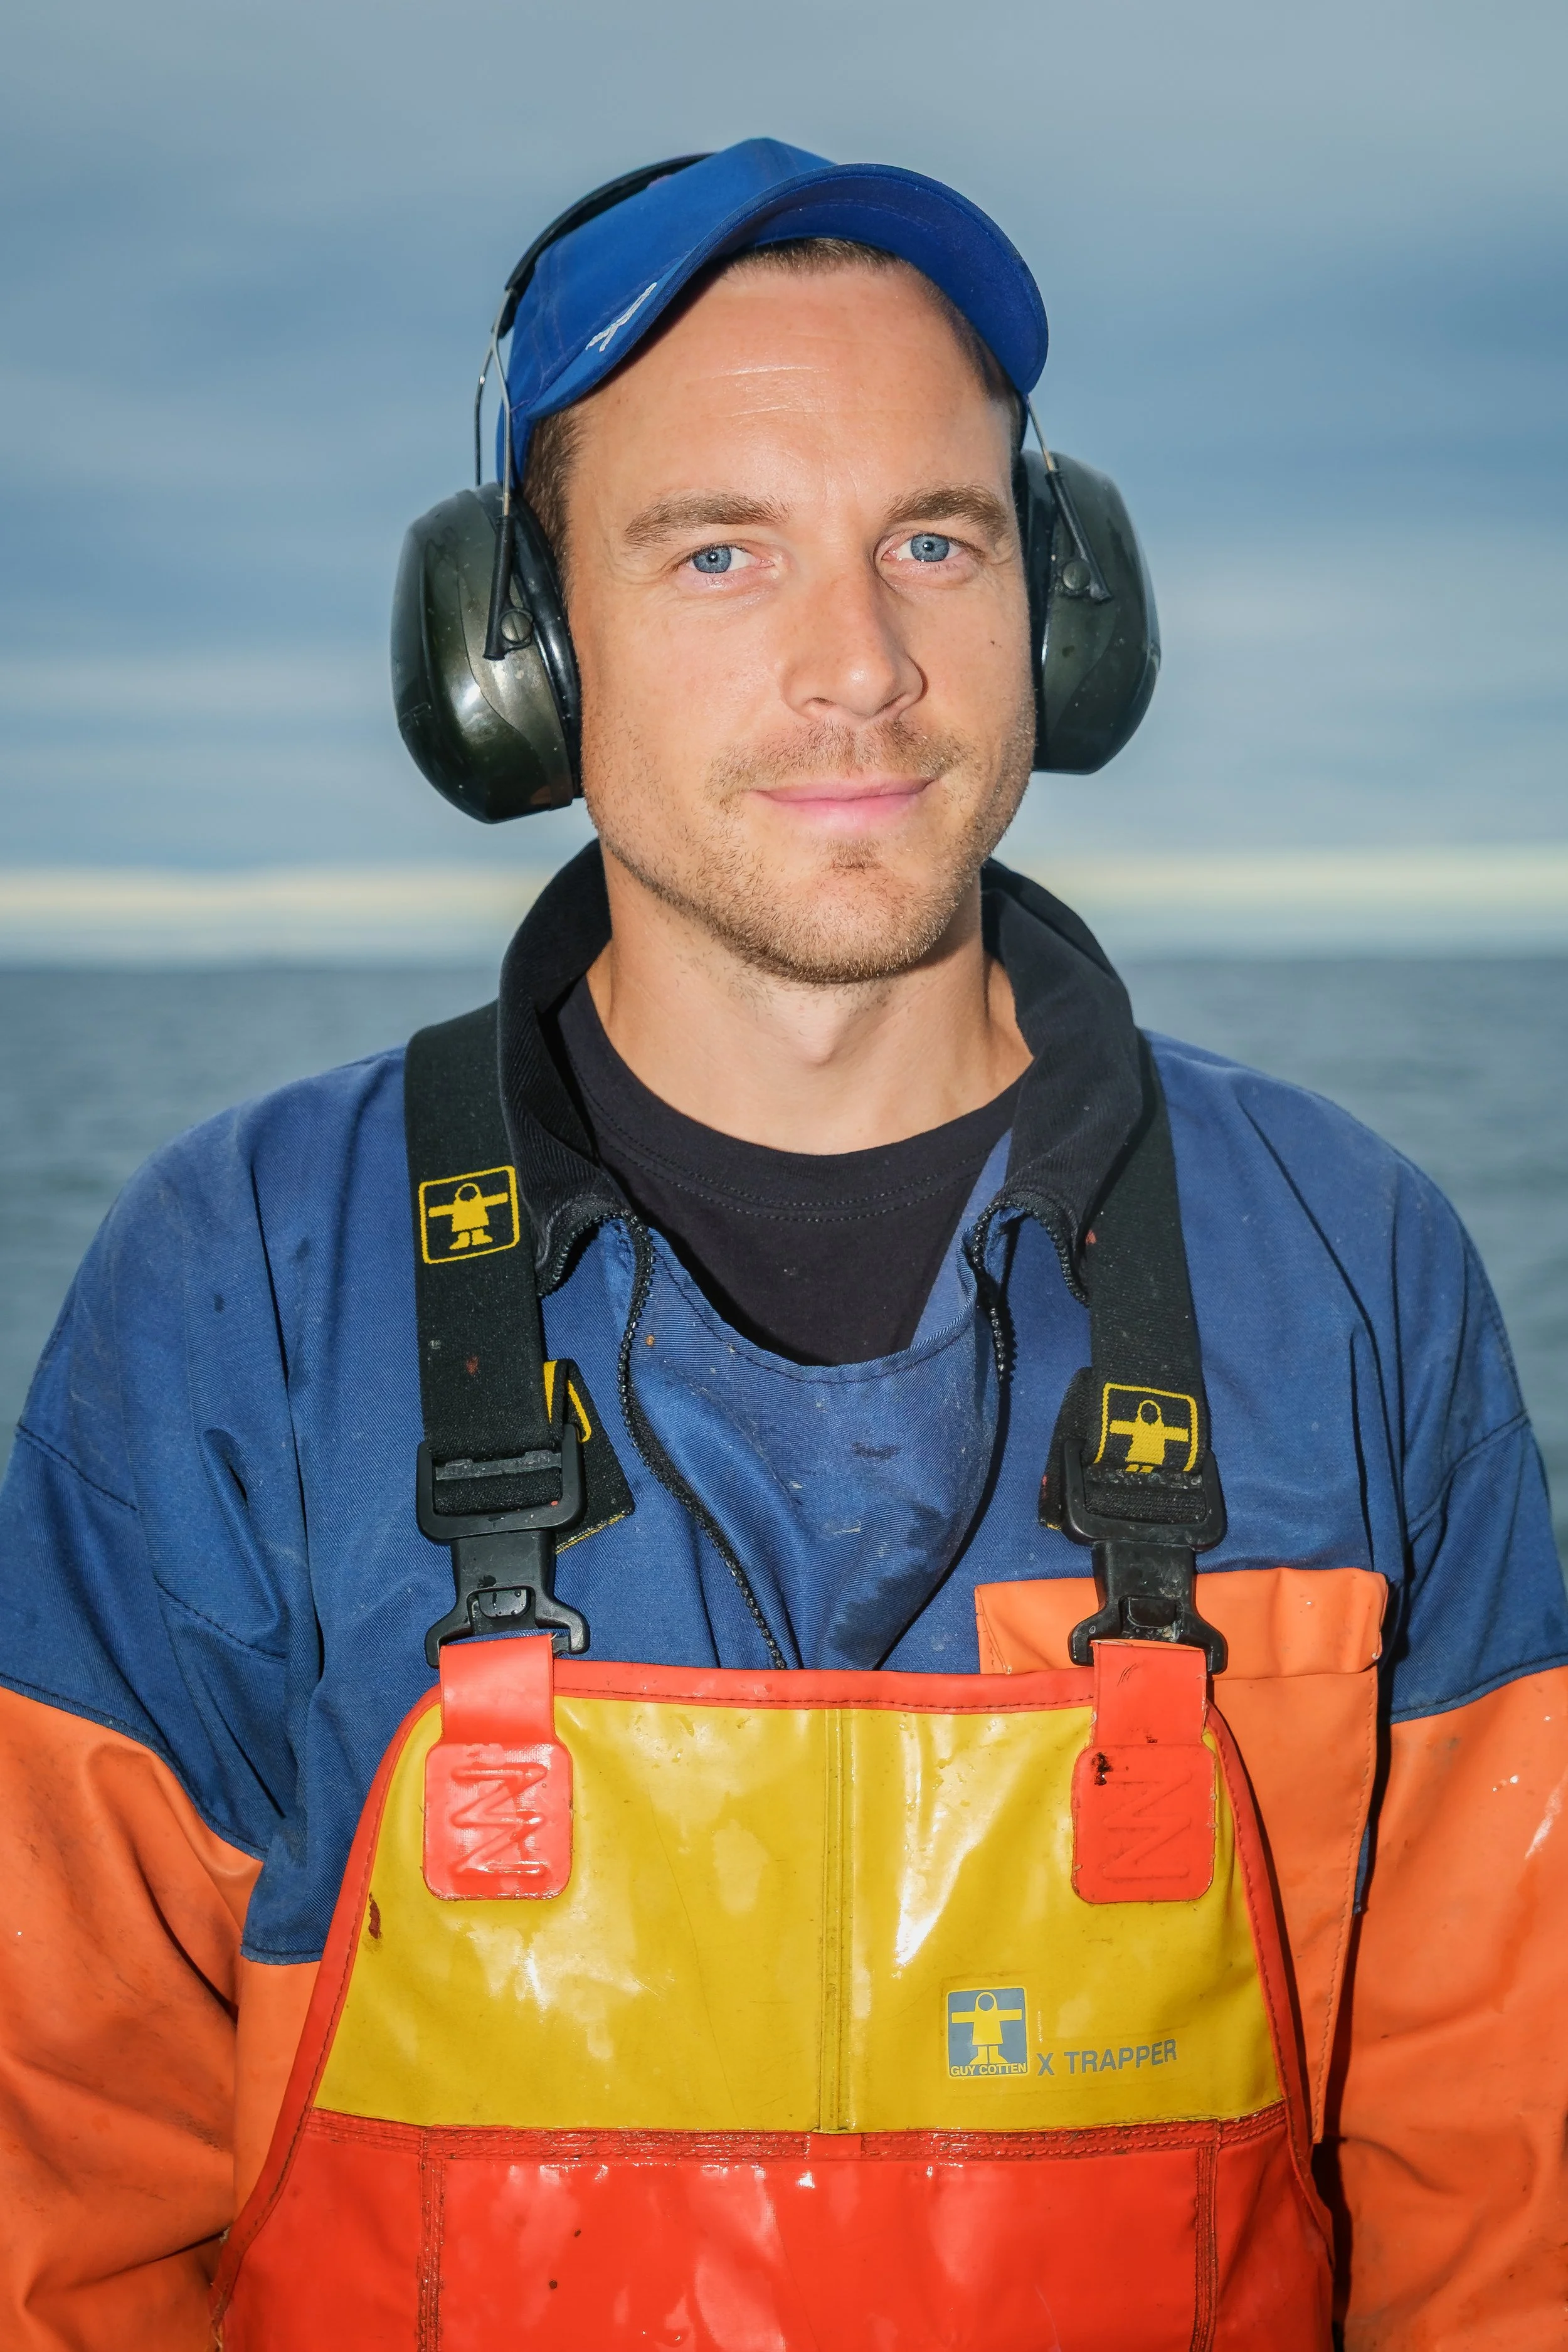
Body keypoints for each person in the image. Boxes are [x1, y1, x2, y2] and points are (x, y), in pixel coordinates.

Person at [0, 137, 1562, 2352]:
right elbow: (51, 2201)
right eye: (719, 549)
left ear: (1062, 602)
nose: (861, 664)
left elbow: (1505, 2196)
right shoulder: (235, 1286)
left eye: (933, 538)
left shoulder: (1348, 1263)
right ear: (516, 654)